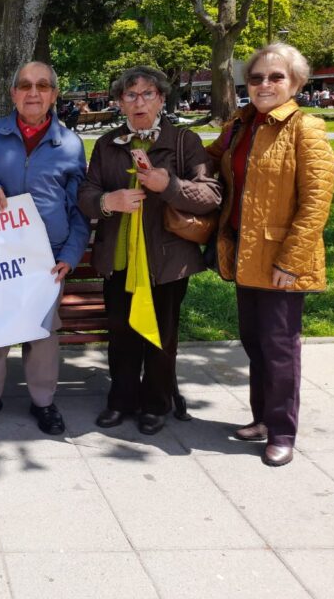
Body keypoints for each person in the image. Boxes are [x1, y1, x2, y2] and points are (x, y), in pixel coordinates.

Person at [207, 44, 334, 467]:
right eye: (258, 77)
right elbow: (209, 161)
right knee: (255, 341)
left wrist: (291, 261)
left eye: (276, 77)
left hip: (280, 258)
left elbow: (316, 202)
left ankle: (282, 431)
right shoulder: (242, 125)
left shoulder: (306, 128)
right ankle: (261, 419)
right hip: (245, 252)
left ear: (296, 83)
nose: (265, 84)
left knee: (280, 347)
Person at [78, 66, 221, 435]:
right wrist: (109, 201)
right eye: (130, 95)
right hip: (119, 258)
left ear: (160, 99)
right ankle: (121, 400)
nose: (139, 102)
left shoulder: (183, 142)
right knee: (121, 334)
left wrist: (168, 184)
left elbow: (210, 196)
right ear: (119, 102)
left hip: (167, 261)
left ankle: (156, 404)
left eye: (147, 94)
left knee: (160, 336)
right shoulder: (108, 144)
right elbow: (87, 195)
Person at [0, 61, 89, 436]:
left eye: (42, 86)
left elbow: (79, 206)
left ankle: (44, 403)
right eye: (24, 85)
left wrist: (70, 254)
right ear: (13, 93)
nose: (33, 93)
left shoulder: (70, 144)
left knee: (42, 333)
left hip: (47, 257)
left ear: (53, 94)